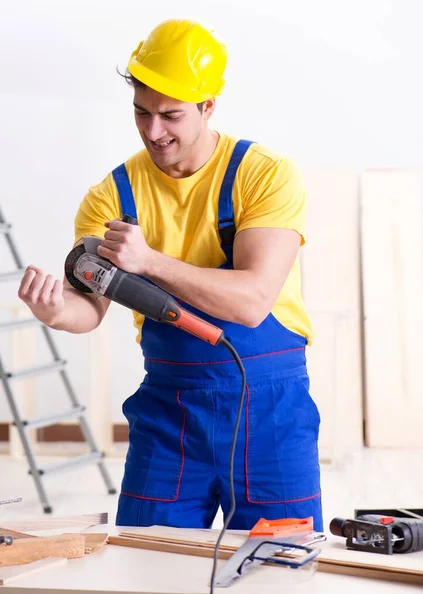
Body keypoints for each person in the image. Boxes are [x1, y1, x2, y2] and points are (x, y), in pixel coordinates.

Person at [18, 18, 323, 532]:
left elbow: (251, 302)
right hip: (168, 408)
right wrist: (55, 311)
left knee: (280, 568)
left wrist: (150, 262)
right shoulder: (111, 195)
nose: (153, 131)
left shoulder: (264, 174)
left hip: (268, 408)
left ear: (207, 107)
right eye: (141, 112)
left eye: (170, 115)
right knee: (146, 563)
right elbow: (87, 309)